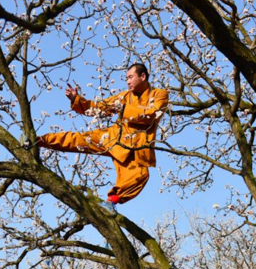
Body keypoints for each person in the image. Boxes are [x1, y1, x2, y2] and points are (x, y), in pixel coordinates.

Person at [25, 63, 168, 212]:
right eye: (126, 78)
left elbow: (151, 114)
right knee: (77, 140)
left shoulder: (159, 94)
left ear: (143, 76)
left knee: (141, 176)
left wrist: (122, 108)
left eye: (131, 77)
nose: (127, 81)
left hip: (133, 149)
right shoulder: (124, 96)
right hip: (112, 137)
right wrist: (76, 99)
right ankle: (39, 140)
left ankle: (110, 202)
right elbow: (99, 107)